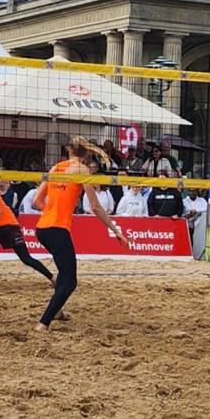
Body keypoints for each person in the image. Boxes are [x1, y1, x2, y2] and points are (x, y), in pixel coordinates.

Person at [32, 137, 127, 331]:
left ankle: (58, 311)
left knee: (63, 272)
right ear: (85, 154)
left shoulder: (55, 168)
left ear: (69, 151)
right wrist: (115, 230)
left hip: (42, 229)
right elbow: (96, 207)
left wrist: (54, 213)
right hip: (57, 229)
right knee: (70, 282)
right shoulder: (82, 171)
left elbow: (36, 202)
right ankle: (43, 324)